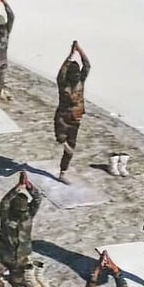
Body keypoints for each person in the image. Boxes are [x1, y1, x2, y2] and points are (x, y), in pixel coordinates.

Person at [55, 40, 91, 182]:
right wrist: (70, 56)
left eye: (78, 73)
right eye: (73, 74)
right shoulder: (63, 83)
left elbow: (87, 65)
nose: (76, 76)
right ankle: (63, 144)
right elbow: (62, 72)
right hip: (62, 119)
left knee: (70, 148)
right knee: (61, 139)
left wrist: (79, 51)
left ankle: (63, 172)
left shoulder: (81, 81)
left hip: (75, 119)